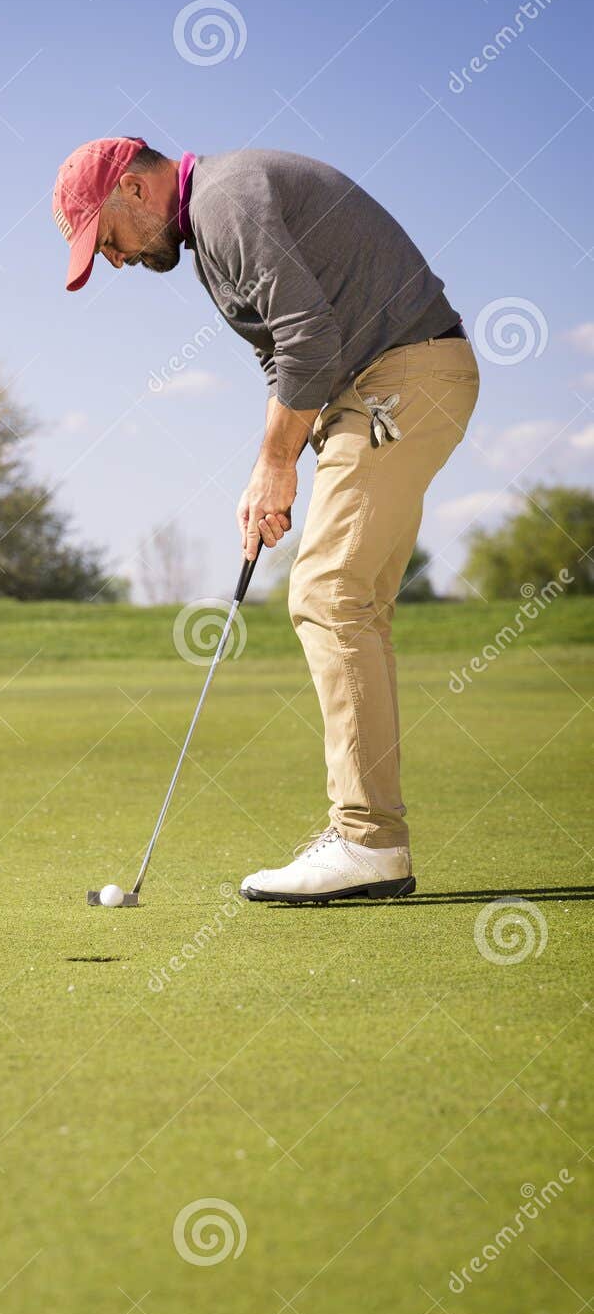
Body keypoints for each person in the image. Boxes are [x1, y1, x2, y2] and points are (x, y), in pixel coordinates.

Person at [52, 137, 479, 902]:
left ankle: (366, 840)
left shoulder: (223, 201)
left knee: (326, 593)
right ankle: (371, 835)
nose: (113, 261)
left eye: (106, 240)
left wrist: (275, 462)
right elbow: (284, 355)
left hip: (401, 372)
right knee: (354, 603)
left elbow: (309, 334)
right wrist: (277, 467)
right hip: (381, 385)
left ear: (135, 191)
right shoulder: (214, 230)